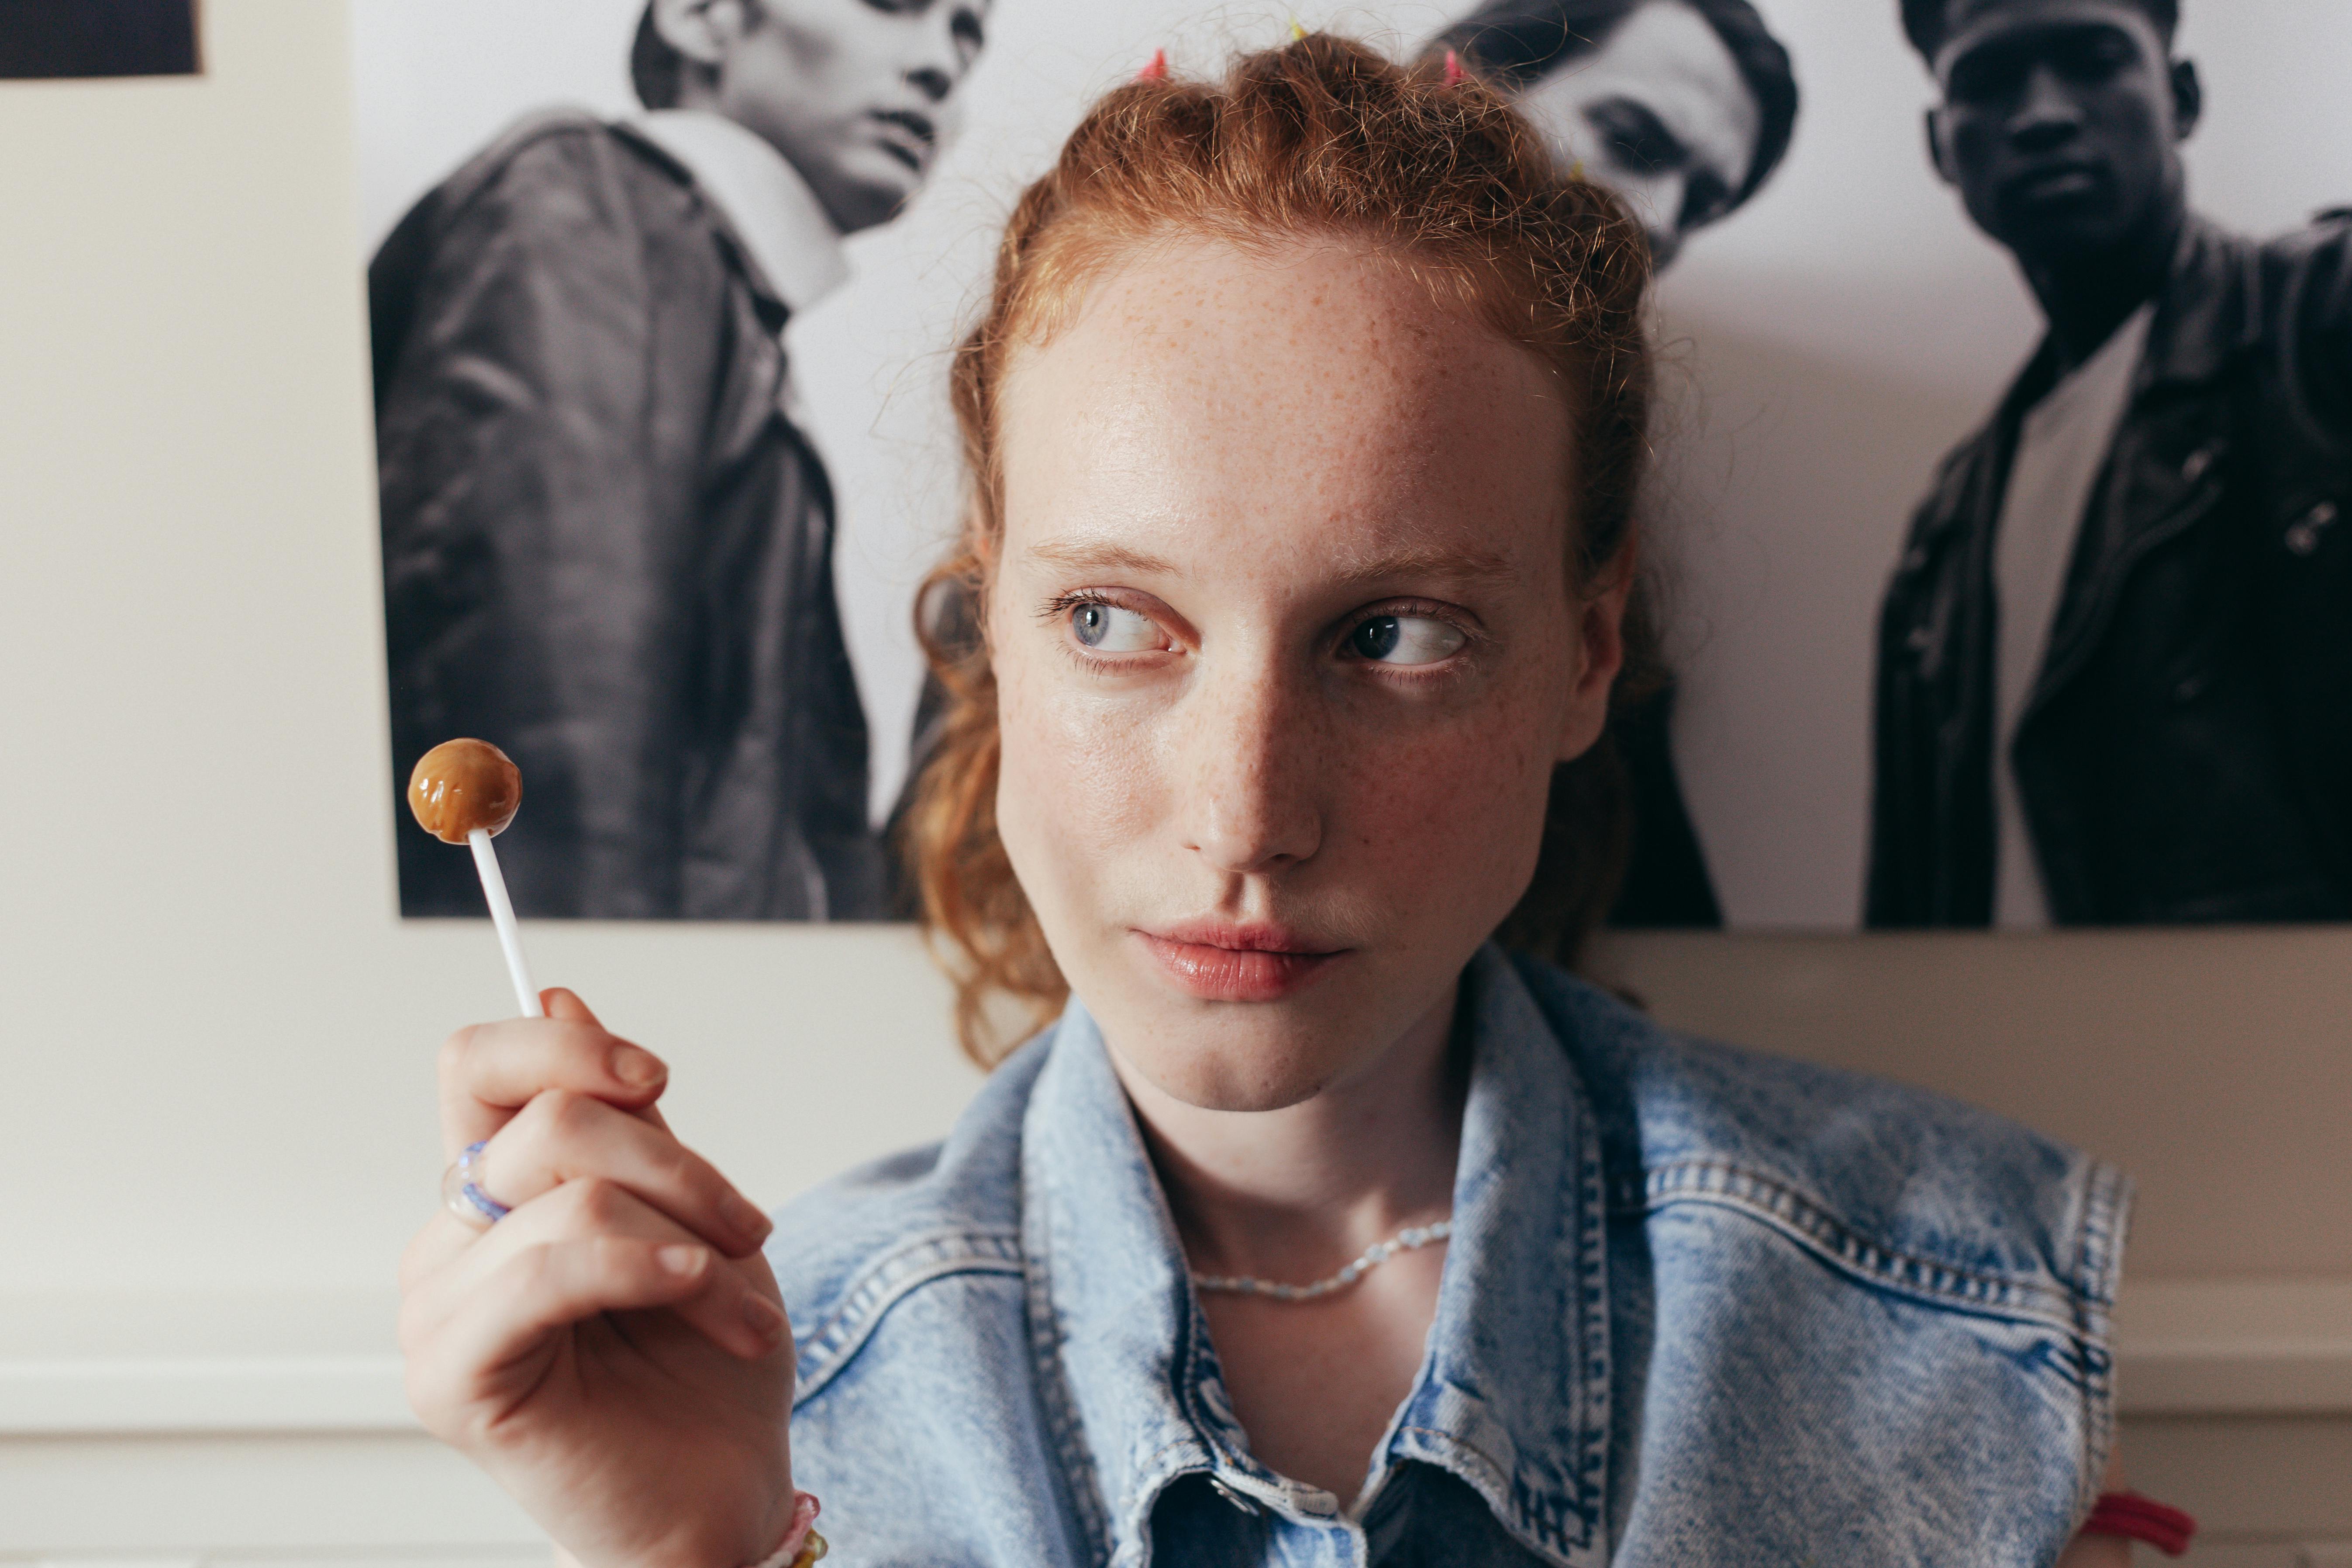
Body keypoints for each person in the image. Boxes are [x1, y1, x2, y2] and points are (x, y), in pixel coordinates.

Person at [399, 37, 2172, 1565]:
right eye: (1112, 622)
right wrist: (698, 1546)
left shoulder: (1942, 1302)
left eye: (1390, 634)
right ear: (986, 632)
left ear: (1583, 652)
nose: (1242, 813)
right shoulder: (765, 1374)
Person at [372, 0, 986, 920]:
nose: (941, 64)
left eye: (966, 32)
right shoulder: (585, 213)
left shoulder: (695, 284)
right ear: (703, 17)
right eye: (895, 5)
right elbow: (554, 777)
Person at [1868, 0, 2352, 927]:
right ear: (1940, 146)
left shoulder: (2320, 324)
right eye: (1986, 81)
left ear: (2178, 98)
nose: (2042, 112)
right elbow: (1905, 899)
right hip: (2008, 1055)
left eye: (2091, 59)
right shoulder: (1945, 523)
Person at [1435, 0, 1801, 929]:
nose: (1665, 219)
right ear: (1466, 86)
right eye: (1633, 138)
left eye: (1705, 199)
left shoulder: (1590, 512)